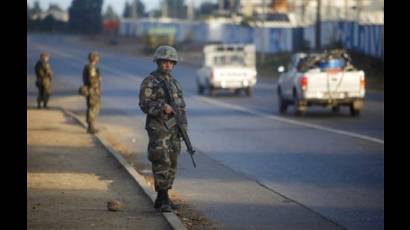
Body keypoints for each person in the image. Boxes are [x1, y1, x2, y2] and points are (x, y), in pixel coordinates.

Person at [139, 46, 188, 212]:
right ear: (158, 62)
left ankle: (163, 198)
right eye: (164, 61)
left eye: (170, 62)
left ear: (174, 64)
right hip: (158, 128)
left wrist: (183, 128)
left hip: (174, 128)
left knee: (173, 161)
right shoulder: (150, 81)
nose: (168, 65)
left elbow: (181, 107)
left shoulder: (175, 83)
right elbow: (144, 104)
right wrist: (162, 106)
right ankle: (163, 198)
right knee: (161, 161)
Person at [82, 51, 101, 134]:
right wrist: (98, 80)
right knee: (92, 108)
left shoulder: (90, 67)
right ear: (93, 58)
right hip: (92, 91)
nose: (98, 59)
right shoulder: (91, 68)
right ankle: (90, 127)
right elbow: (91, 80)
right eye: (97, 57)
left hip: (92, 90)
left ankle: (91, 126)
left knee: (93, 108)